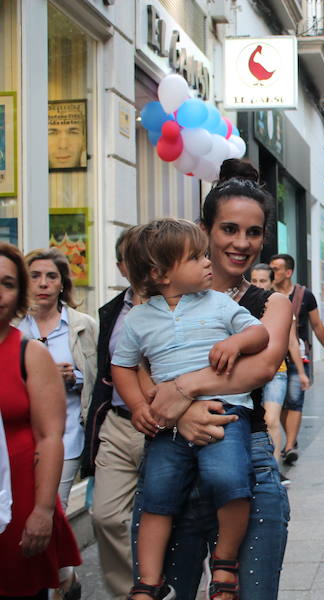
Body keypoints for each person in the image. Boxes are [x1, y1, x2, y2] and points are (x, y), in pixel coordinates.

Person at [130, 159, 293, 600]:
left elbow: (259, 367)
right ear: (205, 229)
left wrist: (182, 391)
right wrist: (178, 418)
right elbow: (131, 366)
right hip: (170, 462)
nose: (242, 243)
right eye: (229, 229)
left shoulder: (271, 304)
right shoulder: (153, 302)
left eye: (254, 232)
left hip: (248, 463)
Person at [112, 218, 269, 600]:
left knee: (229, 480)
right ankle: (147, 582)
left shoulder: (218, 302)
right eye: (195, 257)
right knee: (156, 498)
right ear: (160, 274)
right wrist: (137, 406)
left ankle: (225, 562)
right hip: (167, 426)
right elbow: (122, 365)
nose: (206, 263)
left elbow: (259, 333)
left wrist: (236, 344)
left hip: (224, 413)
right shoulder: (137, 319)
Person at [0, 242, 82, 599]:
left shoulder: (29, 353)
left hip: (18, 499)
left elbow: (51, 436)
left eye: (7, 283)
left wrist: (44, 511)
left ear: (19, 293)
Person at [17, 248, 96, 599]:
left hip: (66, 436)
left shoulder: (83, 326)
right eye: (35, 276)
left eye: (51, 276)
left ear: (63, 283)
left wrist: (74, 376)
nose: (44, 284)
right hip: (19, 438)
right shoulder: (14, 327)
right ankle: (66, 576)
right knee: (27, 515)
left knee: (52, 510)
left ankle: (51, 585)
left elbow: (97, 378)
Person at [81, 228, 147, 597]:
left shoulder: (179, 303)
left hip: (166, 426)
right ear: (122, 266)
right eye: (130, 258)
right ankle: (131, 591)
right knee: (105, 515)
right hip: (118, 424)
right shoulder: (109, 312)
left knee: (176, 519)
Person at [269, 253, 324, 465]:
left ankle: (289, 446)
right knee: (280, 403)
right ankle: (290, 441)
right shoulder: (266, 294)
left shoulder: (305, 296)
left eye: (276, 269)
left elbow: (316, 325)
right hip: (273, 358)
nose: (272, 272)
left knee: (295, 401)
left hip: (298, 356)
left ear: (288, 272)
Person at [249, 262, 308, 483]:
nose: (258, 285)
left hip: (277, 372)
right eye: (254, 280)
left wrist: (301, 372)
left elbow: (292, 342)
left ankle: (272, 472)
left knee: (271, 419)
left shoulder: (280, 306)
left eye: (262, 280)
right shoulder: (241, 303)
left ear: (272, 282)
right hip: (248, 373)